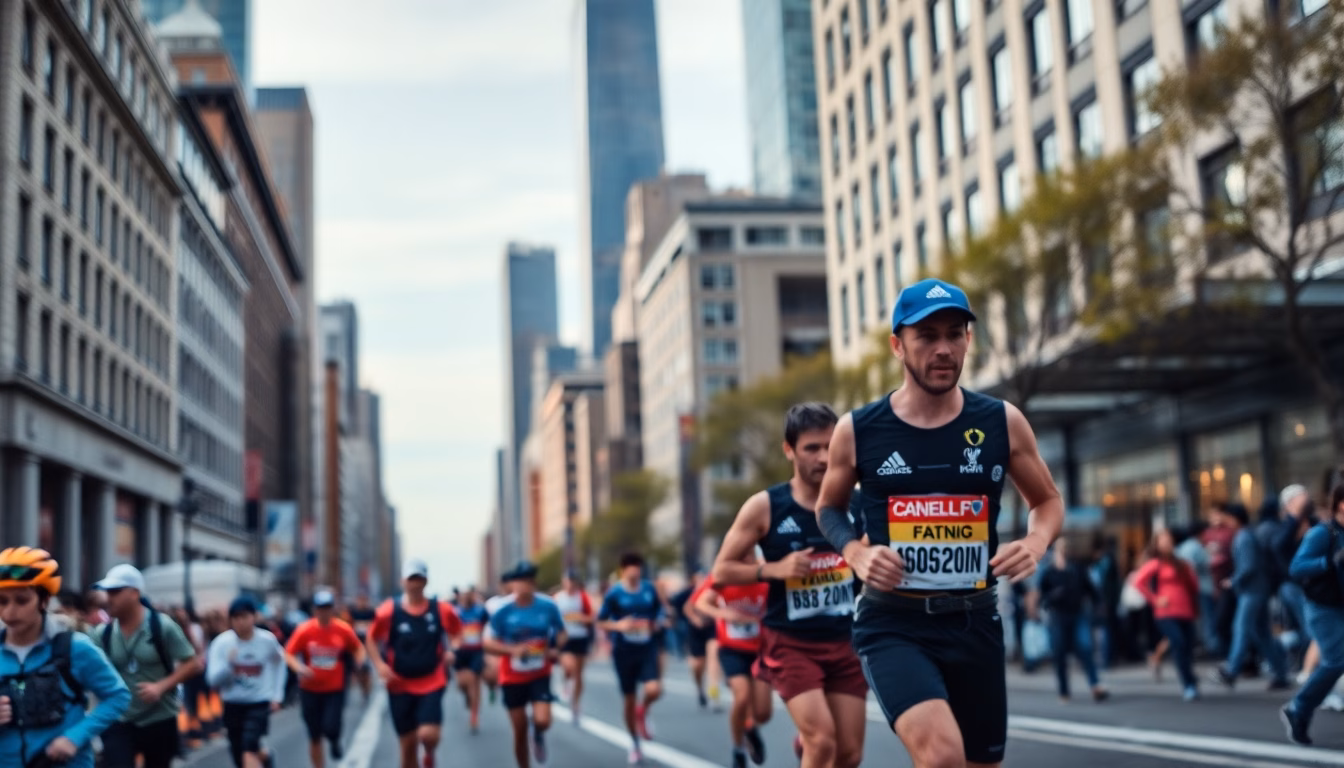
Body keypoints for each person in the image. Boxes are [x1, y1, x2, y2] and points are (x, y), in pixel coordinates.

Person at [814, 278, 1064, 768]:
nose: (943, 348)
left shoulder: (1002, 421)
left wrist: (1036, 543)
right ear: (897, 345)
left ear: (970, 339)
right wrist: (856, 553)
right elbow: (828, 509)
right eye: (926, 336)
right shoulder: (858, 430)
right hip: (893, 623)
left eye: (955, 333)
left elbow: (1048, 501)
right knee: (942, 757)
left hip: (976, 620)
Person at [710, 402, 867, 768]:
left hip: (846, 641)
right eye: (812, 447)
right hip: (791, 644)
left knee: (849, 754)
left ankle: (809, 747)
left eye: (831, 446)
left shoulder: (857, 504)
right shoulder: (766, 507)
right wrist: (772, 570)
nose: (824, 457)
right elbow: (720, 571)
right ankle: (811, 743)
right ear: (789, 450)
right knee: (823, 740)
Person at [0, 547, 131, 767]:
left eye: (22, 601)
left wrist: (75, 737)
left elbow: (118, 696)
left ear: (44, 601)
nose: (9, 613)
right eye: (2, 601)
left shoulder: (75, 647)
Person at [90, 564, 204, 768]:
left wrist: (161, 686)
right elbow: (90, 672)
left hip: (159, 718)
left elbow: (193, 664)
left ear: (135, 593)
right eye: (107, 592)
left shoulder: (162, 626)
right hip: (119, 720)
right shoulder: (102, 633)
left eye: (115, 592)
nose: (108, 598)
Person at [366, 559, 463, 768]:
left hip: (432, 679)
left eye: (419, 579)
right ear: (403, 582)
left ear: (426, 582)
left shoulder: (441, 609)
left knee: (429, 735)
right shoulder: (389, 611)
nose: (415, 584)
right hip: (399, 683)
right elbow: (371, 639)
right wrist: (380, 665)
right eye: (411, 579)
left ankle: (428, 752)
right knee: (407, 744)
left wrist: (452, 651)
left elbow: (457, 633)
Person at [484, 561, 567, 768]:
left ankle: (538, 733)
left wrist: (554, 648)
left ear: (533, 583)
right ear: (511, 585)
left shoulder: (547, 606)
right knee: (519, 730)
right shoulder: (502, 611)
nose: (522, 587)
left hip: (540, 672)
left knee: (543, 721)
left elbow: (562, 632)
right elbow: (487, 643)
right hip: (512, 676)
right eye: (518, 582)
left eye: (527, 582)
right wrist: (513, 650)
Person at [1282, 482, 1344, 745]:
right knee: (1337, 660)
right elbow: (1296, 568)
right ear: (1341, 504)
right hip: (1323, 607)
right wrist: (1328, 562)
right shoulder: (1323, 533)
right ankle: (1299, 707)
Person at [693, 563, 771, 768]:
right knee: (742, 695)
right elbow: (700, 603)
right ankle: (738, 749)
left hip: (760, 648)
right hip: (732, 648)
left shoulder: (766, 571)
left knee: (763, 712)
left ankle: (750, 727)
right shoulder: (723, 574)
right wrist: (725, 614)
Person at [1213, 502, 1292, 690]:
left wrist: (1233, 580)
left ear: (1234, 518)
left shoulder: (1245, 537)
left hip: (1252, 591)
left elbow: (1248, 566)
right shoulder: (1246, 535)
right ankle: (1280, 672)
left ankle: (1232, 670)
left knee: (1241, 628)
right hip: (1256, 590)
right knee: (1262, 633)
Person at [597, 552, 664, 765]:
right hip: (624, 651)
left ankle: (642, 711)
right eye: (631, 567)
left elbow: (659, 612)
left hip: (646, 648)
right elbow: (600, 621)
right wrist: (619, 626)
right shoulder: (614, 593)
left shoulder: (648, 589)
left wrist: (658, 623)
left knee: (654, 689)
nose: (635, 570)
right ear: (623, 570)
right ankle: (634, 743)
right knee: (628, 698)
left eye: (638, 566)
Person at [285, 589, 365, 767]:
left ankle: (335, 741)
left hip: (334, 689)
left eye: (328, 608)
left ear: (333, 609)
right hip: (310, 689)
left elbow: (357, 648)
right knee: (314, 735)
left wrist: (360, 662)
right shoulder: (305, 630)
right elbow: (289, 653)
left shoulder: (342, 629)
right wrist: (300, 668)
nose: (324, 612)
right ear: (315, 610)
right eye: (321, 608)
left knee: (331, 727)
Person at [206, 597, 287, 768]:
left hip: (258, 702)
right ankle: (265, 757)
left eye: (244, 616)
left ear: (253, 617)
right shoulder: (222, 643)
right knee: (239, 755)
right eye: (235, 617)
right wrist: (229, 665)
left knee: (248, 748)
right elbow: (212, 679)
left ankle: (257, 755)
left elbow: (280, 663)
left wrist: (277, 696)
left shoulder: (267, 640)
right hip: (232, 703)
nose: (240, 622)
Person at [1133, 529, 1202, 701]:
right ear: (1156, 544)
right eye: (1162, 541)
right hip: (1165, 612)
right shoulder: (1156, 563)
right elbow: (1138, 582)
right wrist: (1155, 599)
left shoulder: (1181, 563)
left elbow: (1194, 586)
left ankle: (1190, 678)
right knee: (1178, 642)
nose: (1166, 543)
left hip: (1185, 610)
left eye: (1168, 540)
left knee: (1187, 647)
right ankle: (1188, 683)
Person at [1037, 539, 1108, 703]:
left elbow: (1091, 589)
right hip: (1058, 616)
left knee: (1085, 647)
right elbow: (1042, 597)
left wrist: (1099, 604)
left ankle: (1095, 685)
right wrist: (1052, 596)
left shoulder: (1077, 569)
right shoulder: (1049, 572)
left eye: (1066, 549)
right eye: (1061, 550)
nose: (1064, 553)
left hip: (1078, 613)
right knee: (1059, 652)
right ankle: (1064, 690)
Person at [668, 571, 720, 710]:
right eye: (699, 578)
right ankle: (699, 688)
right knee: (698, 664)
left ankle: (714, 694)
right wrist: (694, 619)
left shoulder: (715, 589)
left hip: (712, 629)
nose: (702, 580)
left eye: (704, 577)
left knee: (713, 659)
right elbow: (683, 607)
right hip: (695, 631)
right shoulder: (690, 592)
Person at [552, 572, 594, 722]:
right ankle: (564, 681)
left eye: (572, 581)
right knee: (569, 666)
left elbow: (592, 618)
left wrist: (581, 618)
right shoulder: (557, 598)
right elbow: (551, 619)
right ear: (563, 582)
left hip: (580, 637)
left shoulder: (583, 597)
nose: (570, 584)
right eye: (567, 581)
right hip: (565, 639)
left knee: (579, 674)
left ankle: (575, 704)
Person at [451, 585, 488, 733]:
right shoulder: (455, 612)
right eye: (464, 595)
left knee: (474, 682)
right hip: (460, 652)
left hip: (476, 651)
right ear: (460, 596)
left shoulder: (480, 611)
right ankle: (467, 696)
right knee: (461, 684)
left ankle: (474, 715)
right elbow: (449, 631)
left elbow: (489, 628)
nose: (467, 597)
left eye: (469, 594)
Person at [483, 575, 517, 707]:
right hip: (495, 643)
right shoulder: (492, 603)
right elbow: (485, 624)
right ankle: (492, 686)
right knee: (492, 675)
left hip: (513, 644)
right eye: (507, 583)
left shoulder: (520, 602)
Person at [345, 593, 378, 703]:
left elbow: (376, 626)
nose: (362, 602)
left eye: (364, 600)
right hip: (355, 645)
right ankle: (362, 686)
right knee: (358, 669)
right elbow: (348, 625)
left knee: (366, 669)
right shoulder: (353, 612)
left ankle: (367, 688)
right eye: (360, 599)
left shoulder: (371, 613)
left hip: (368, 644)